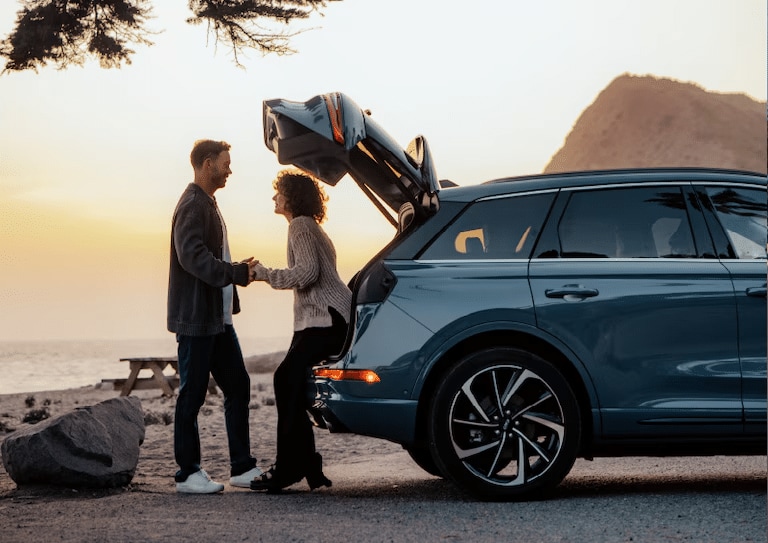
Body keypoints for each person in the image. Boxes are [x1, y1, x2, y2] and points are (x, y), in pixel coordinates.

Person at [167, 139, 262, 493]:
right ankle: (187, 474)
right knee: (192, 394)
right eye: (225, 163)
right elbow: (190, 256)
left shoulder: (208, 203)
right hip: (197, 319)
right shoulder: (193, 204)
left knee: (238, 386)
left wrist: (237, 271)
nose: (229, 169)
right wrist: (234, 273)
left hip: (218, 320)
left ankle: (242, 468)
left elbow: (210, 255)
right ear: (208, 164)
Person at [249, 169, 351, 493]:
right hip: (324, 318)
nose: (274, 197)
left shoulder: (300, 225)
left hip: (327, 318)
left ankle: (291, 465)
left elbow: (306, 274)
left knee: (284, 379)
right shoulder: (310, 227)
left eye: (279, 192)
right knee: (291, 382)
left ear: (291, 196)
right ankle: (304, 463)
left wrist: (264, 274)